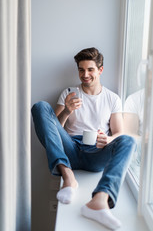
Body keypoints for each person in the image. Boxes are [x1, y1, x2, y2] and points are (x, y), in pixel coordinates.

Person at [31, 47, 136, 230]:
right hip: (70, 149)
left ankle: (100, 200)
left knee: (128, 141)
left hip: (97, 153)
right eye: (81, 69)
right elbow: (51, 129)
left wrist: (108, 140)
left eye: (90, 69)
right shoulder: (69, 93)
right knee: (40, 107)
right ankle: (67, 175)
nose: (85, 74)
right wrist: (67, 111)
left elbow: (119, 132)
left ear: (100, 70)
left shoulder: (112, 98)